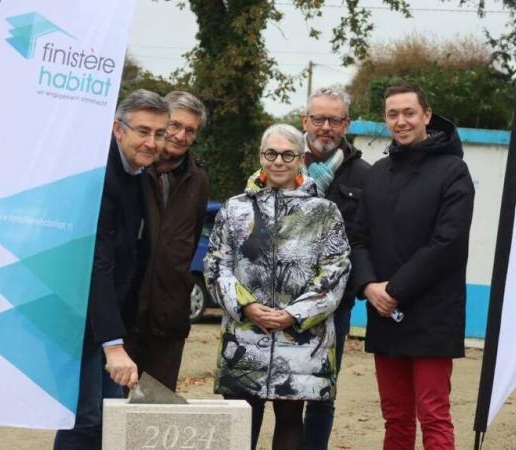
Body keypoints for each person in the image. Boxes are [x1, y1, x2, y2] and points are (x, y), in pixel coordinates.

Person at [204, 124, 351, 450]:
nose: (278, 161)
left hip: (302, 338)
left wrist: (293, 315)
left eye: (288, 154)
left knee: (289, 419)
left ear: (301, 158)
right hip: (244, 334)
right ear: (261, 156)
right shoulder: (235, 208)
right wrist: (247, 307)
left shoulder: (324, 212)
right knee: (240, 421)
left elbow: (336, 270)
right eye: (271, 153)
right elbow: (217, 265)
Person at [350, 82, 475, 450]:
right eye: (392, 114)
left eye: (408, 112)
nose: (401, 121)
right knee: (396, 417)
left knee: (433, 415)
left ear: (427, 116)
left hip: (433, 315)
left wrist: (394, 289)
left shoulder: (454, 171)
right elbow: (358, 239)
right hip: (384, 312)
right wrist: (369, 286)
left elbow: (447, 243)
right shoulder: (377, 173)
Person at [53, 89, 169, 450]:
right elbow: (95, 262)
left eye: (159, 134)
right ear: (118, 130)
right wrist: (113, 344)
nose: (152, 142)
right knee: (84, 419)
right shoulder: (99, 176)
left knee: (109, 416)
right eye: (143, 131)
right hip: (80, 318)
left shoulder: (142, 175)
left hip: (111, 319)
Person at [300, 86, 370, 450]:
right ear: (305, 121)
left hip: (334, 308)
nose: (325, 127)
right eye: (318, 118)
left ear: (347, 124)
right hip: (281, 306)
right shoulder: (281, 162)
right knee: (277, 394)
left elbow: (367, 241)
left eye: (335, 120)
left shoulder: (365, 175)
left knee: (322, 394)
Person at [126, 91, 209, 391]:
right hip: (124, 312)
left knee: (154, 414)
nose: (181, 135)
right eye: (175, 125)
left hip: (168, 316)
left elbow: (189, 241)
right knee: (107, 415)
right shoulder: (130, 168)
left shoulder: (198, 179)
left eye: (190, 130)